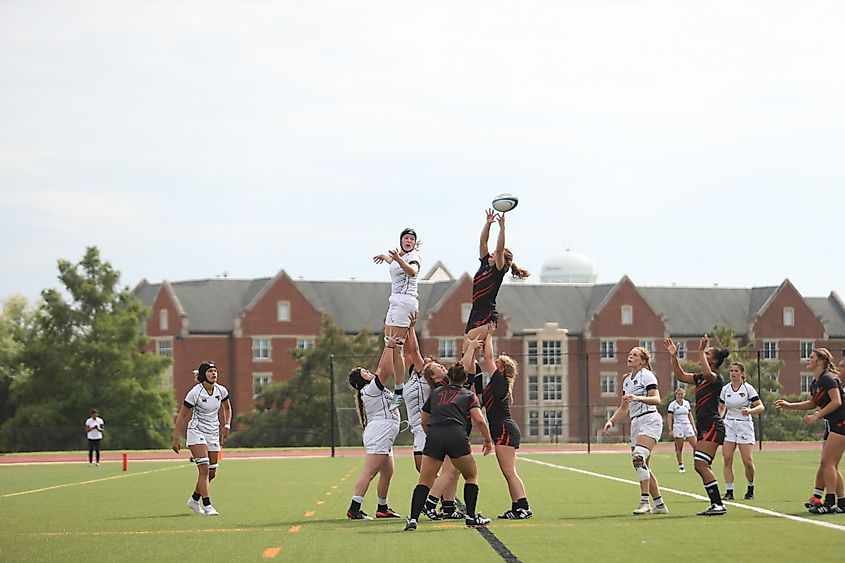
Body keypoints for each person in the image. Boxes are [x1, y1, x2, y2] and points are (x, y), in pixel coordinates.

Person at [403, 356, 495, 531]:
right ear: (465, 379)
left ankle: (413, 519)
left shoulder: (436, 392)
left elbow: (424, 420)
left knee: (424, 480)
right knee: (471, 475)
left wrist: (433, 435)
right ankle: (470, 517)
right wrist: (488, 440)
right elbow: (480, 420)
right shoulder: (469, 394)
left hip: (435, 435)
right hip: (456, 435)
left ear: (449, 377)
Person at [469, 332, 533, 519]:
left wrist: (489, 334)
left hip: (505, 429)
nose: (494, 363)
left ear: (503, 369)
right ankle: (516, 507)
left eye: (498, 362)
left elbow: (488, 356)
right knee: (508, 472)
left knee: (509, 472)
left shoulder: (499, 380)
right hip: (501, 430)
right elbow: (480, 398)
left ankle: (523, 507)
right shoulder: (494, 385)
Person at [664, 335, 729, 516]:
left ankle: (718, 504)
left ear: (714, 361)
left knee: (700, 464)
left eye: (708, 353)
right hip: (704, 427)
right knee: (700, 464)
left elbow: (708, 374)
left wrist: (701, 349)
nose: (703, 354)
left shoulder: (715, 378)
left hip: (713, 426)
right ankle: (716, 503)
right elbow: (681, 375)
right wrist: (674, 356)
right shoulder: (700, 378)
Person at [775, 348, 845, 514]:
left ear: (820, 362)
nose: (808, 359)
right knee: (831, 465)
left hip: (841, 423)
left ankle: (829, 502)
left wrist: (817, 416)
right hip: (833, 425)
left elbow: (837, 402)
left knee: (827, 463)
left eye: (811, 357)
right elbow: (812, 403)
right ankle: (842, 503)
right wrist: (789, 405)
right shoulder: (816, 382)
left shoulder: (828, 378)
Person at [603, 346, 669, 515]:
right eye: (629, 354)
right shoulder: (626, 380)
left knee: (638, 458)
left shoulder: (647, 375)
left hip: (650, 419)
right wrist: (611, 421)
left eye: (635, 355)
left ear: (643, 361)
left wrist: (638, 397)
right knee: (643, 465)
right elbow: (624, 408)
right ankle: (660, 505)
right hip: (636, 423)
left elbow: (656, 399)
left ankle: (644, 502)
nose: (630, 357)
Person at [346, 336, 405, 520]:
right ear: (360, 380)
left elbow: (394, 402)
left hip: (384, 433)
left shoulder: (374, 389)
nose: (368, 371)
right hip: (380, 433)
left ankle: (382, 508)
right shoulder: (370, 389)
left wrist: (399, 392)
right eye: (364, 371)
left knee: (387, 473)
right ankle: (354, 508)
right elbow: (385, 369)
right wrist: (388, 346)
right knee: (369, 472)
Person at [463, 210, 529, 353]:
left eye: (496, 253)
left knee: (469, 348)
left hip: (486, 314)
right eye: (492, 252)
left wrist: (502, 228)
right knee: (467, 352)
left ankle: (469, 375)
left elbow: (499, 250)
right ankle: (471, 376)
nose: (492, 253)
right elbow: (483, 241)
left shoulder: (497, 271)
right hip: (475, 311)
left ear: (503, 261)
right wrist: (488, 223)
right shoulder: (485, 264)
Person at [172, 361, 232, 516]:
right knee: (204, 469)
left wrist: (227, 426)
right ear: (203, 375)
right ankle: (207, 505)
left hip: (213, 433)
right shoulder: (195, 393)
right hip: (196, 431)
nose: (214, 374)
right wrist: (176, 437)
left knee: (211, 473)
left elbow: (227, 408)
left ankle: (193, 500)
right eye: (210, 371)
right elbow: (183, 415)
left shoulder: (221, 390)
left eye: (215, 371)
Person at [402, 311, 447, 472]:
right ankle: (444, 495)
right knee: (423, 470)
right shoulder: (413, 376)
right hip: (417, 429)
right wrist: (401, 331)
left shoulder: (425, 376)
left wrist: (411, 327)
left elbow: (414, 352)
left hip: (425, 428)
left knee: (425, 470)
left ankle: (445, 496)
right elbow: (407, 353)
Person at [719, 361, 764, 500]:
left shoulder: (748, 389)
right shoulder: (726, 389)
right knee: (727, 458)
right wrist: (720, 419)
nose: (733, 373)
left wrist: (749, 410)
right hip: (729, 425)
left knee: (747, 461)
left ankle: (750, 488)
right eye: (731, 371)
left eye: (736, 371)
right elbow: (721, 407)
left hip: (744, 425)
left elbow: (760, 407)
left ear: (742, 373)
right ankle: (729, 491)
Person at [667, 387, 696, 473]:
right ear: (676, 395)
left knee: (695, 445)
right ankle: (681, 465)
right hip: (678, 425)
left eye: (681, 394)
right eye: (678, 394)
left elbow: (690, 415)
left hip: (687, 425)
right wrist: (670, 429)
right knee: (679, 447)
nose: (680, 396)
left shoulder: (686, 403)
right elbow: (669, 417)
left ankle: (697, 463)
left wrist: (693, 426)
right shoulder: (672, 405)